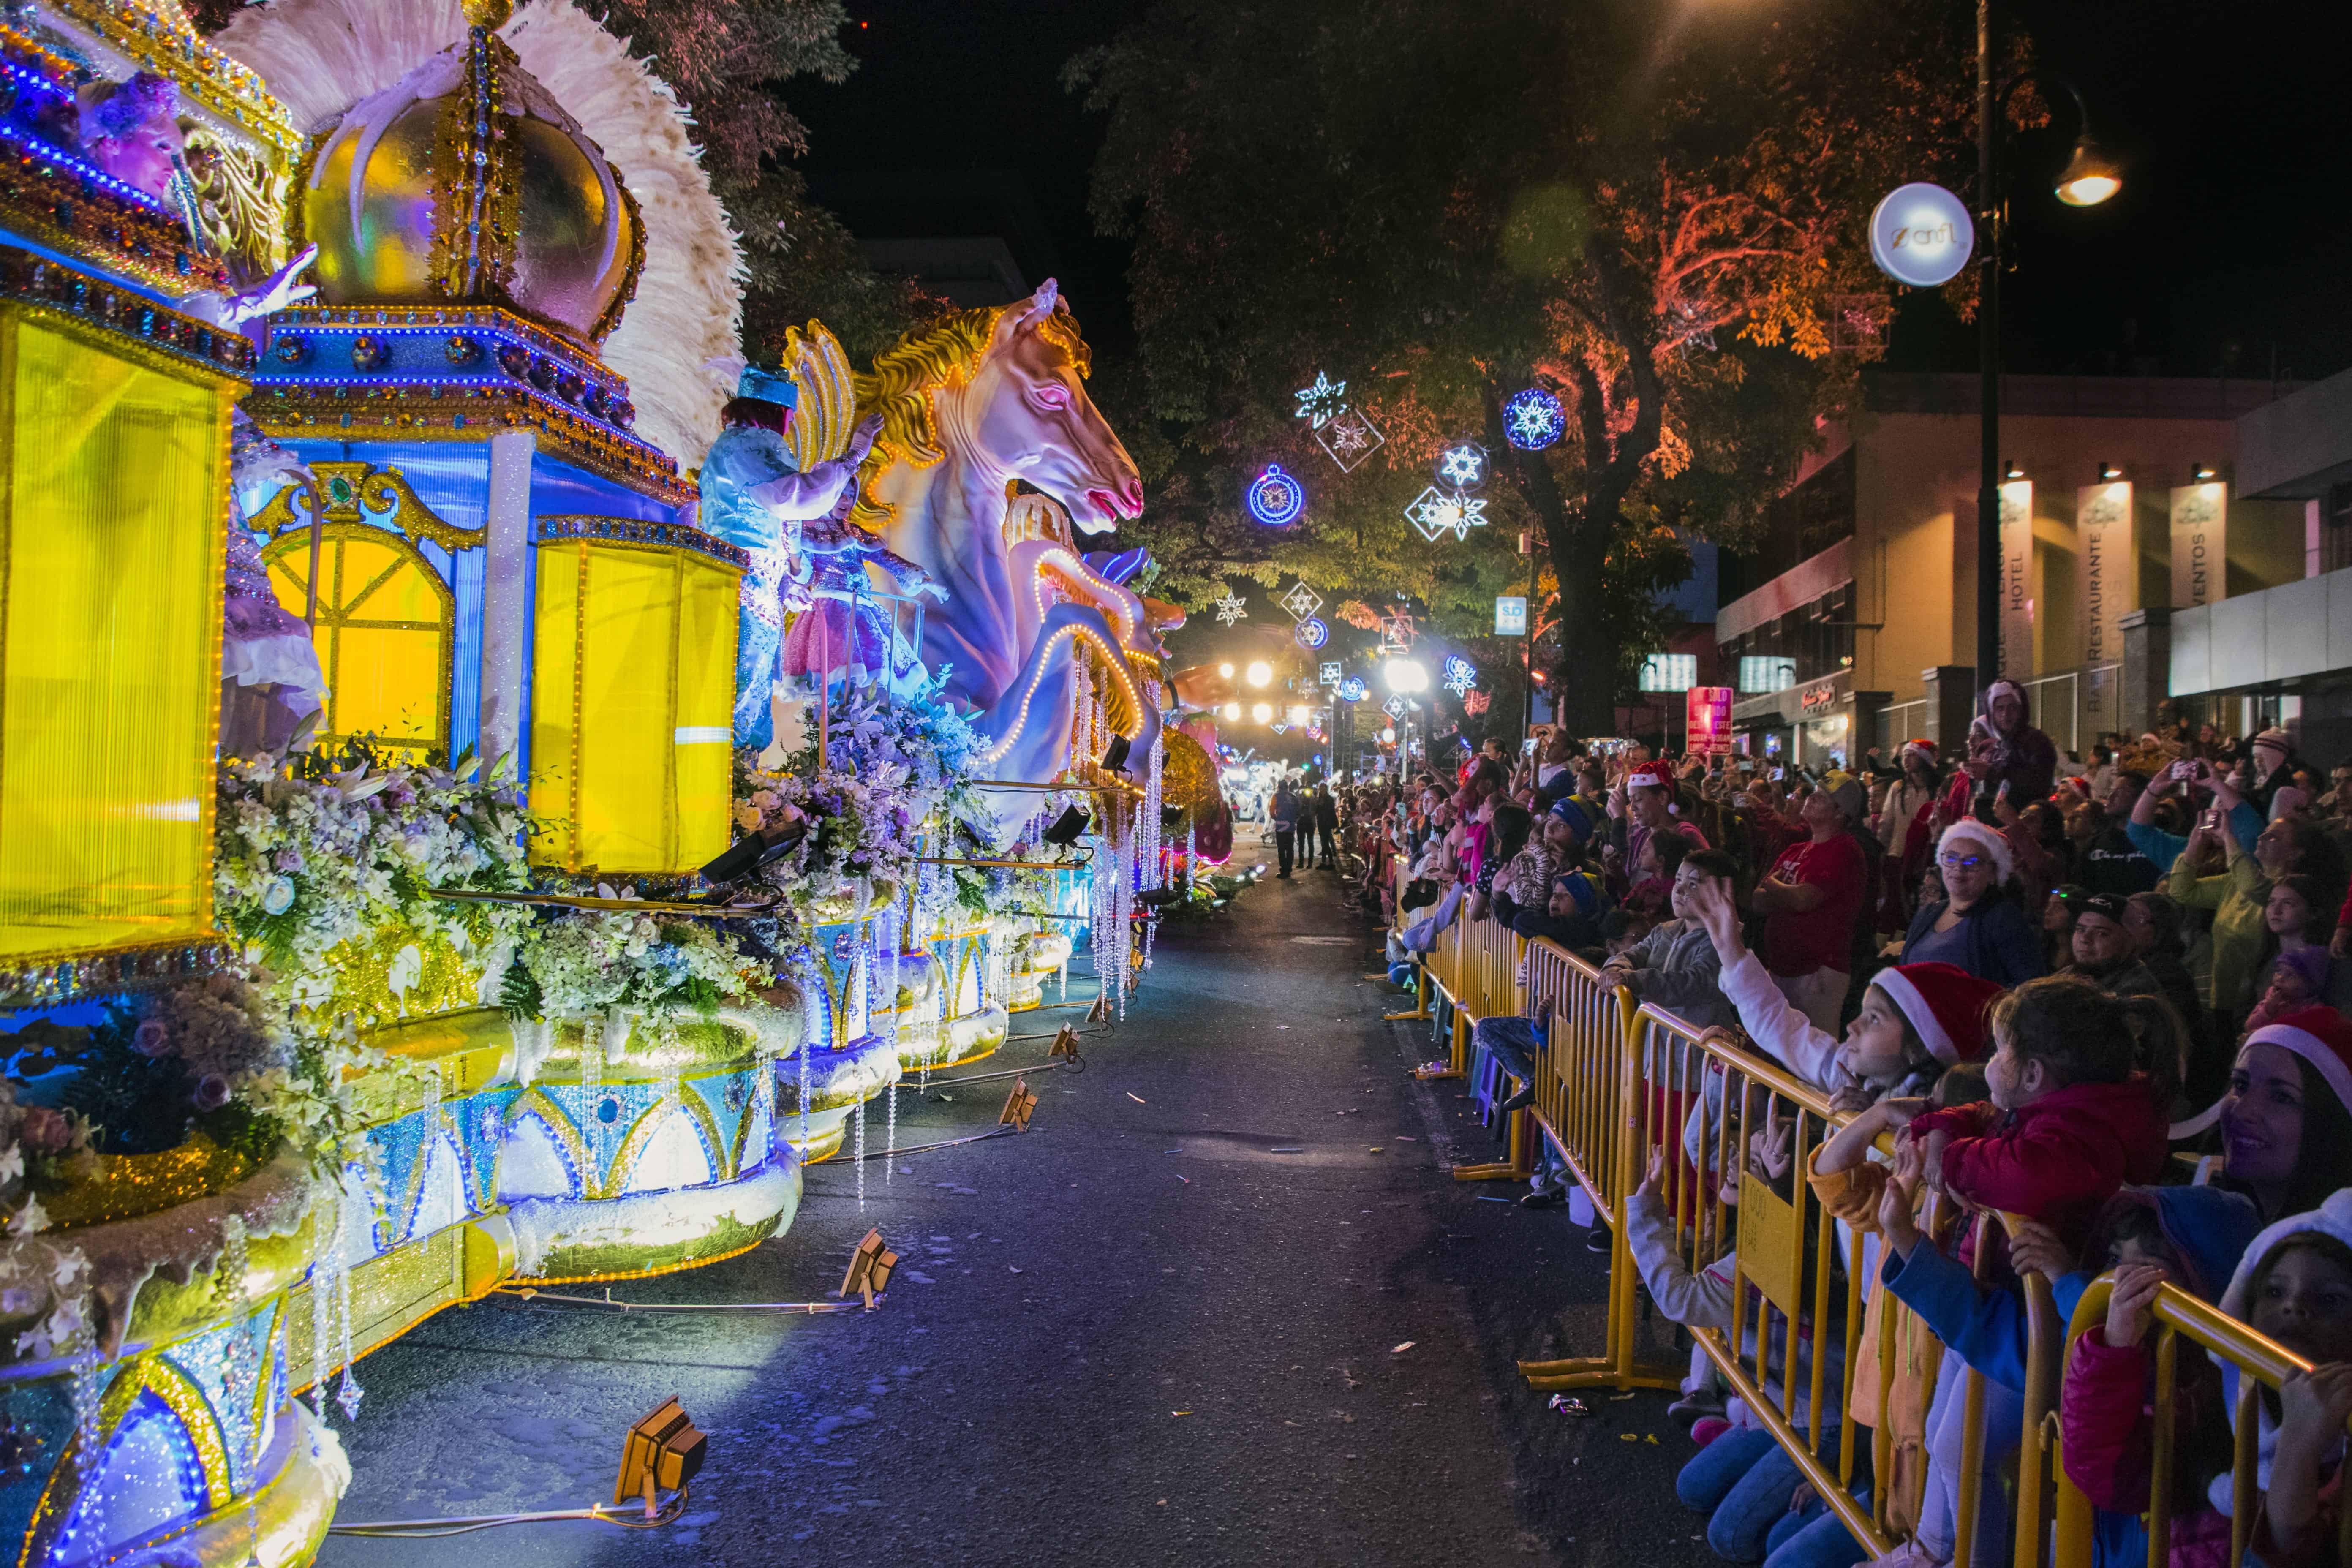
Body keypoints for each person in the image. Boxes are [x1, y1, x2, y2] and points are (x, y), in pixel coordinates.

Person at [2212, 1190, 2352, 1565]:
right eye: (2275, 1291)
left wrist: (2299, 1447)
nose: (2293, 1306)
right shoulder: (2216, 1400)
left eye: (2329, 1300)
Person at [1751, 776, 1871, 1032]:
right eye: (1814, 792)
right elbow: (1757, 902)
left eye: (1822, 796)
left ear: (1840, 812)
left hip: (1818, 973)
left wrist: (1772, 884)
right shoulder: (1796, 850)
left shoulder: (1844, 849)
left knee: (1812, 1057)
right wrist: (1779, 891)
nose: (1811, 798)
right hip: (1784, 967)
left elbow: (1803, 899)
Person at [2213, 1006, 2352, 1222]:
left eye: (2281, 1097)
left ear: (2332, 1124)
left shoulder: (2325, 1253)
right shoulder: (2224, 1226)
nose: (2242, 1111)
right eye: (2240, 1084)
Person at [1598, 849, 1744, 1036]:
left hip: (1694, 1051)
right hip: (1656, 1046)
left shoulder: (1726, 942)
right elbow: (1635, 954)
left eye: (1693, 885)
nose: (1679, 889)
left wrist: (1633, 979)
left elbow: (1692, 982)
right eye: (1678, 880)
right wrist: (1615, 968)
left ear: (1721, 894)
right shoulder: (1664, 930)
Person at [1902, 820, 2046, 985]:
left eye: (1972, 862)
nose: (1959, 868)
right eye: (1951, 858)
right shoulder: (1927, 914)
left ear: (1993, 873)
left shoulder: (2004, 920)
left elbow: (2030, 987)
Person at [1270, 779, 1302, 878]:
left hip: (1281, 826)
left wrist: (1277, 818)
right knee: (1290, 849)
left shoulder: (1276, 796)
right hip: (1291, 827)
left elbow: (1272, 811)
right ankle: (1288, 870)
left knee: (1282, 849)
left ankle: (1283, 870)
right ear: (1287, 787)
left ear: (1279, 787)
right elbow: (1299, 812)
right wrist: (1293, 821)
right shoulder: (1294, 797)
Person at [1312, 784, 1339, 869]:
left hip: (1327, 823)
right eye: (1320, 788)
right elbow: (1316, 811)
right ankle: (1328, 862)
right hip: (1321, 822)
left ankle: (1328, 862)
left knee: (1325, 843)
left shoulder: (1329, 799)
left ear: (1326, 789)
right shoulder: (1319, 798)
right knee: (1324, 843)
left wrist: (1322, 805)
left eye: (1322, 788)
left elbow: (1330, 810)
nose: (1321, 790)